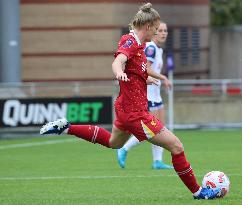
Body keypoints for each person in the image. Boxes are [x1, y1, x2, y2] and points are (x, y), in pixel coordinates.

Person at [40, 3, 221, 200]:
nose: (158, 32)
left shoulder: (139, 44)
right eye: (157, 28)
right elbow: (118, 61)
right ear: (148, 26)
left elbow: (137, 68)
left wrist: (147, 77)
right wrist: (119, 73)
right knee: (176, 146)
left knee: (113, 142)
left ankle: (67, 127)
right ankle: (198, 192)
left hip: (126, 110)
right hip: (136, 114)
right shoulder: (130, 42)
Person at [117, 21, 173, 170]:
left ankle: (157, 161)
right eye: (160, 30)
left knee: (160, 128)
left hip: (156, 96)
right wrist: (164, 78)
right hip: (148, 96)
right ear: (153, 31)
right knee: (152, 130)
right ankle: (124, 148)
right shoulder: (151, 49)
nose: (163, 33)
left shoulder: (158, 50)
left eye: (165, 31)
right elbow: (146, 69)